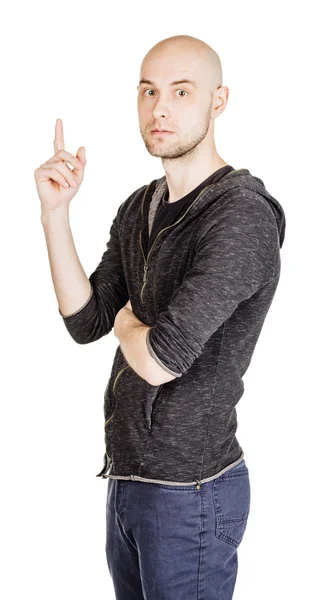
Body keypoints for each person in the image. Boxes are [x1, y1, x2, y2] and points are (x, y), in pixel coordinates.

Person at [34, 34, 286, 600]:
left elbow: (159, 361)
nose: (160, 108)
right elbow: (86, 320)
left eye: (180, 91)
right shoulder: (139, 206)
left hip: (190, 494)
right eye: (148, 91)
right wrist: (55, 214)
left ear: (217, 101)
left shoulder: (241, 217)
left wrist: (129, 326)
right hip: (128, 482)